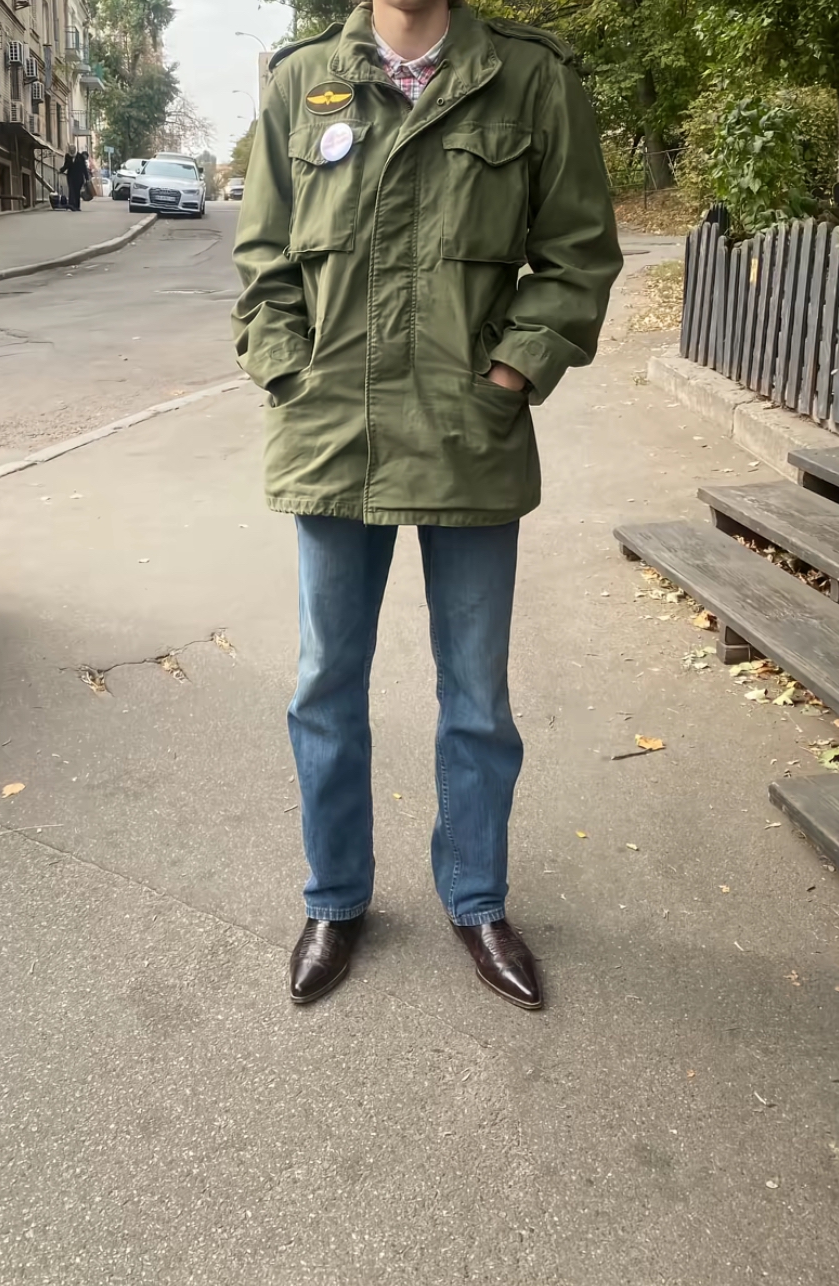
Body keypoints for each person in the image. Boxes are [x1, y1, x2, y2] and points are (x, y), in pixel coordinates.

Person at [232, 0, 622, 1009]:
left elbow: (578, 253)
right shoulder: (300, 82)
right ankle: (334, 898)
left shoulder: (530, 79)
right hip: (335, 435)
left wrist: (509, 376)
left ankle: (477, 898)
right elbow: (263, 261)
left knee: (478, 696)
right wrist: (291, 374)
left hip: (468, 435)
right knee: (325, 685)